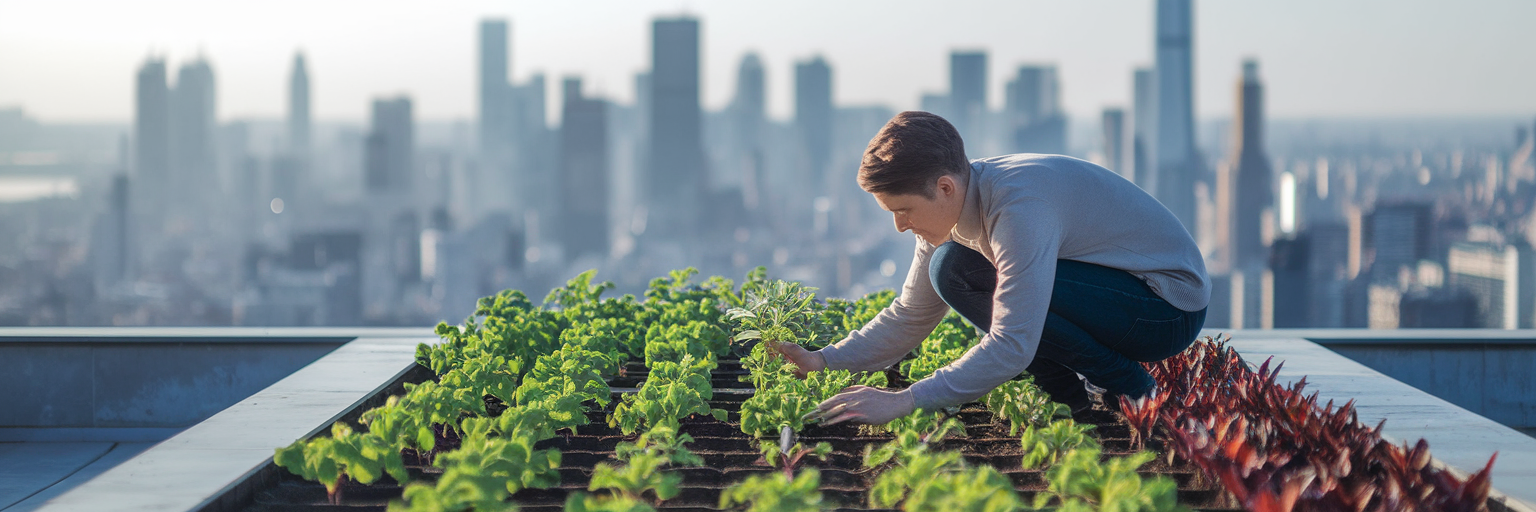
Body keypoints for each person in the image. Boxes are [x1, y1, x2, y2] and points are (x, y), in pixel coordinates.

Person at [779, 111, 1209, 426]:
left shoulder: (1018, 209)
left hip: (1164, 307)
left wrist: (905, 400)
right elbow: (911, 313)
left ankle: (1135, 389)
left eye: (904, 210)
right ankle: (1070, 404)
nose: (899, 226)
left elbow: (1012, 342)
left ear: (944, 188)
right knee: (951, 268)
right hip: (1115, 293)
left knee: (962, 273)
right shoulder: (950, 212)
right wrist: (822, 361)